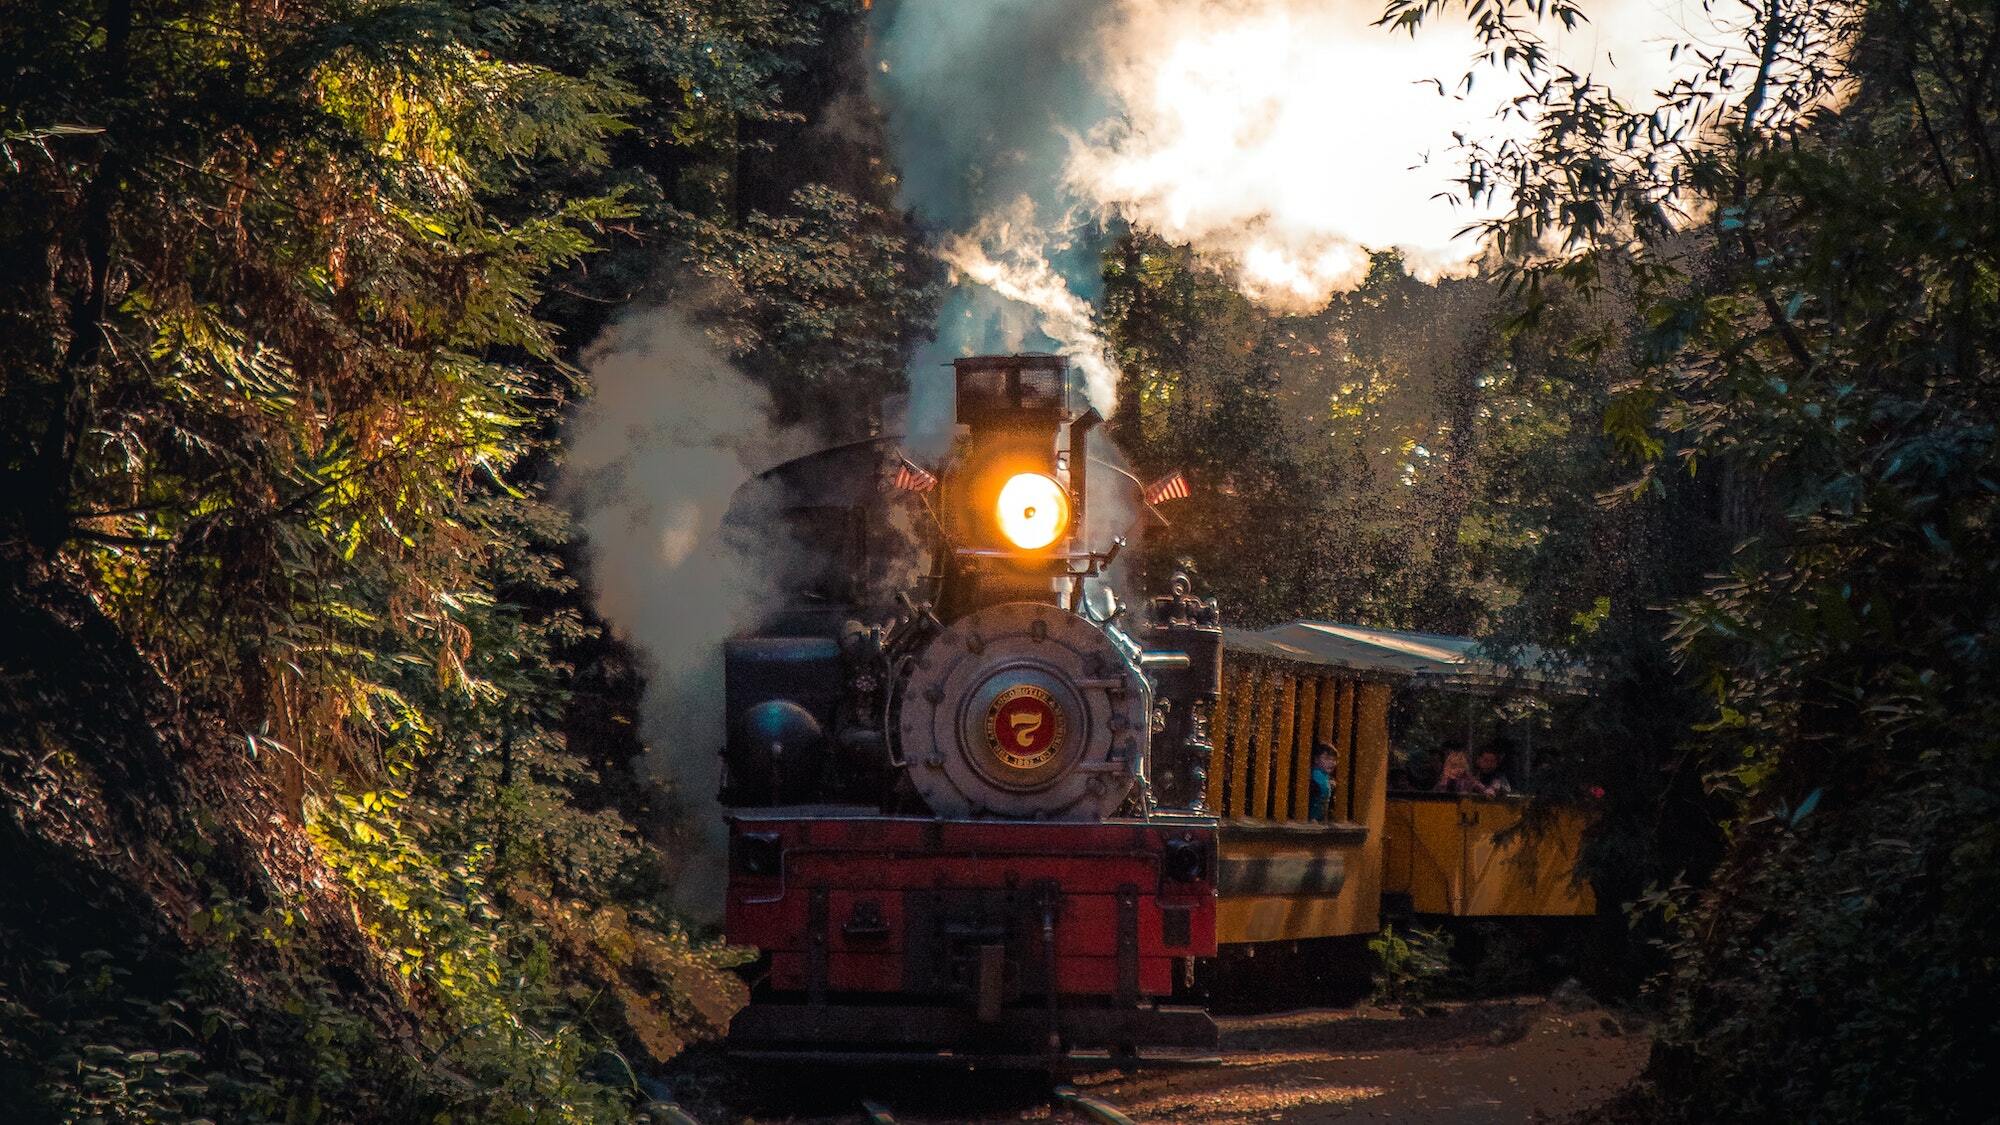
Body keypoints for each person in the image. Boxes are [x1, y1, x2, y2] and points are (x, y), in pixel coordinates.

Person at [1308, 741, 1337, 821]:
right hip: (1310, 818)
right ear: (1316, 759)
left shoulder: (1326, 777)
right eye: (1327, 758)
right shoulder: (1314, 775)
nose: (1331, 762)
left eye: (1334, 760)